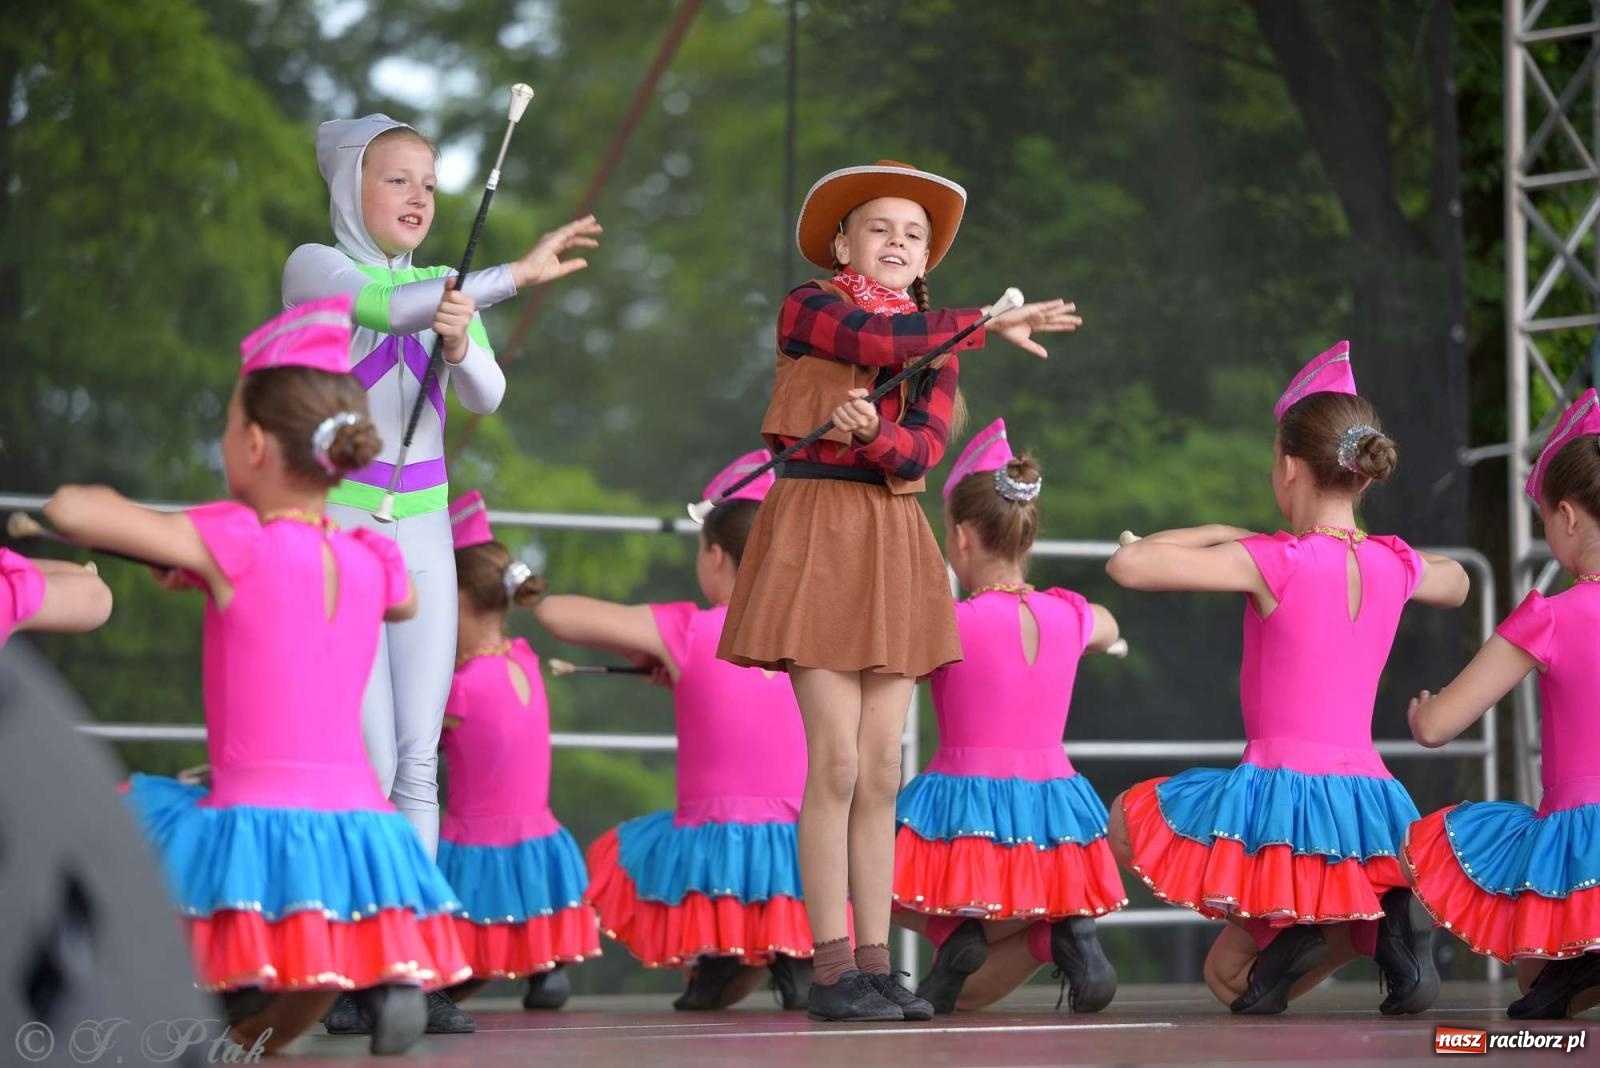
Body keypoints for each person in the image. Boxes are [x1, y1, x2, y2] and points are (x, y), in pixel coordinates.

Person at [45, 297, 468, 1056]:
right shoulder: (370, 557)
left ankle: (143, 1009)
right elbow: (400, 603)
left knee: (133, 837)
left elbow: (75, 509)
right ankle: (377, 986)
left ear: (252, 443)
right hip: (359, 824)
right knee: (307, 968)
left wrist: (197, 550)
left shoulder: (235, 537)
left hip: (257, 805)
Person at [717, 159, 1081, 1021]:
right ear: (844, 241)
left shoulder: (940, 345)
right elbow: (871, 345)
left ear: (927, 264)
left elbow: (923, 452)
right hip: (813, 530)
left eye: (914, 236)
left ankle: (878, 963)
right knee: (835, 762)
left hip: (890, 534)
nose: (895, 242)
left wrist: (877, 429)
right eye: (878, 227)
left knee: (881, 766)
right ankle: (831, 967)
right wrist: (985, 323)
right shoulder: (810, 306)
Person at [1104, 341, 1469, 1015]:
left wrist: (1220, 531)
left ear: (1291, 469)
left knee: (1137, 831)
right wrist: (1388, 552)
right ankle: (1374, 927)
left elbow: (1130, 566)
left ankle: (1323, 930)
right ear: (1362, 476)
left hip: (1281, 795)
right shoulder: (1394, 563)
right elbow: (1459, 581)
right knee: (1251, 963)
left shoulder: (1273, 559)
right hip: (1370, 802)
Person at [283, 113, 601, 861]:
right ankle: (355, 929)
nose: (418, 197)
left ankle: (410, 952)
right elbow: (389, 313)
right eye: (397, 179)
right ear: (347, 184)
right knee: (374, 759)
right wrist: (512, 278)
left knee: (418, 761)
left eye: (428, 184)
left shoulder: (444, 288)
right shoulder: (314, 265)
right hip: (345, 526)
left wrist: (460, 340)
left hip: (424, 528)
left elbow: (487, 396)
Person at [538, 452, 819, 1011]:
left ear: (716, 556)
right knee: (787, 850)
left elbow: (554, 612)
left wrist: (649, 649)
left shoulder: (690, 629)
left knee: (618, 853)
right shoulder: (809, 630)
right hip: (805, 850)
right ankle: (795, 957)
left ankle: (721, 957)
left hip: (712, 847)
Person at [892, 419, 1126, 1015]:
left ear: (964, 538)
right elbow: (1107, 624)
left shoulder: (949, 621)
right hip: (1052, 806)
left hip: (965, 797)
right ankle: (1062, 934)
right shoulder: (1070, 615)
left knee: (871, 867)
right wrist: (1100, 638)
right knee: (1015, 898)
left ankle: (954, 934)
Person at [1405, 388, 1600, 1019]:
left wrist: (1421, 709)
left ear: (1568, 516)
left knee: (1533, 973)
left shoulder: (1550, 615)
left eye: (1545, 519)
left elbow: (1439, 726)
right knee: (1538, 974)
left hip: (1581, 836)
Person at [436, 490, 600, 1018]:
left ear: (457, 600)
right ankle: (544, 968)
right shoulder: (525, 660)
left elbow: (412, 748)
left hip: (478, 841)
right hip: (538, 838)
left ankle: (459, 969)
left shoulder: (459, 689)